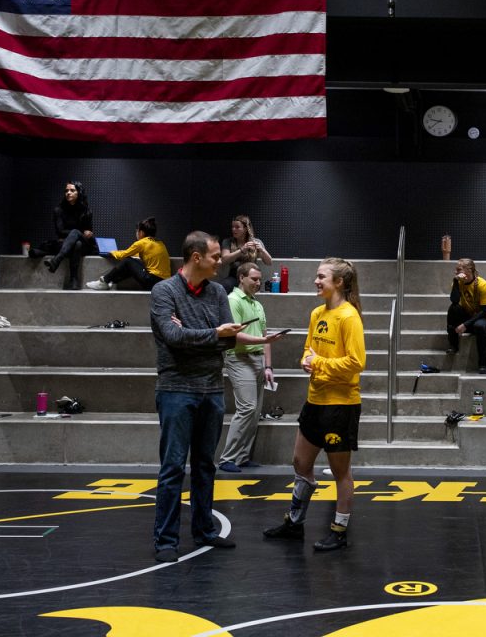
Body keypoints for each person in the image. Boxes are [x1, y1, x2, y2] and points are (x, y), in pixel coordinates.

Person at [149, 230, 282, 563]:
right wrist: (212, 334)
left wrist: (203, 336)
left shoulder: (217, 294)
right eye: (214, 256)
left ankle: (204, 531)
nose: (220, 260)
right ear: (196, 258)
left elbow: (224, 341)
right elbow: (171, 336)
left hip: (210, 389)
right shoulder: (164, 291)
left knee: (205, 465)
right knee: (173, 468)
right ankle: (165, 540)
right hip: (177, 390)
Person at [263, 258, 366, 551]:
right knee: (300, 463)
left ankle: (339, 529)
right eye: (316, 276)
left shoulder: (349, 317)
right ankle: (295, 522)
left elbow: (357, 362)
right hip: (315, 400)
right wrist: (306, 360)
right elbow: (309, 348)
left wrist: (318, 362)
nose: (316, 281)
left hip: (340, 405)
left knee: (340, 472)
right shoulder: (317, 313)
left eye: (321, 277)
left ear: (339, 283)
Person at [217, 263, 275, 472]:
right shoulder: (233, 300)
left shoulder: (257, 304)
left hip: (257, 359)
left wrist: (268, 366)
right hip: (239, 357)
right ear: (241, 278)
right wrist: (262, 341)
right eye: (254, 279)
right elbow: (234, 334)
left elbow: (265, 335)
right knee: (247, 408)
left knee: (255, 410)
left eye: (259, 279)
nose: (258, 283)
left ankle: (242, 457)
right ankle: (227, 458)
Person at [85, 216, 171, 291]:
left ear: (141, 232)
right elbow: (135, 255)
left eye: (137, 231)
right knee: (132, 263)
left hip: (152, 282)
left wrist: (111, 252)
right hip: (163, 284)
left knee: (128, 261)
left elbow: (124, 255)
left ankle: (104, 281)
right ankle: (112, 281)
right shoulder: (159, 243)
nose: (136, 233)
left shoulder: (142, 243)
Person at [39, 180, 96, 290]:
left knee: (78, 237)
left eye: (72, 190)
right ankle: (74, 279)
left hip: (85, 245)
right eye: (66, 190)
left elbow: (88, 231)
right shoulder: (59, 210)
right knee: (77, 244)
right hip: (66, 244)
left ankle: (57, 260)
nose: (68, 193)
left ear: (78, 192)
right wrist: (79, 232)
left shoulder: (86, 211)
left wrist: (87, 233)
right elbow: (60, 231)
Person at [445, 258, 486, 373]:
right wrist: (456, 282)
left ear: (469, 270)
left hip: (485, 319)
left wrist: (465, 325)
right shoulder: (457, 282)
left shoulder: (483, 285)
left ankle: (483, 364)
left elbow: (484, 312)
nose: (455, 272)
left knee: (478, 326)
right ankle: (453, 344)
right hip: (469, 316)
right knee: (453, 309)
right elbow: (454, 301)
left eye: (458, 269)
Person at [218, 215, 273, 293]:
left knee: (248, 287)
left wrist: (262, 250)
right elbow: (224, 260)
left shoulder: (256, 242)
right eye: (232, 227)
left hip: (251, 276)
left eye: (237, 227)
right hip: (234, 276)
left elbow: (269, 262)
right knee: (222, 287)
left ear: (246, 229)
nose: (234, 229)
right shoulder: (227, 242)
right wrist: (242, 250)